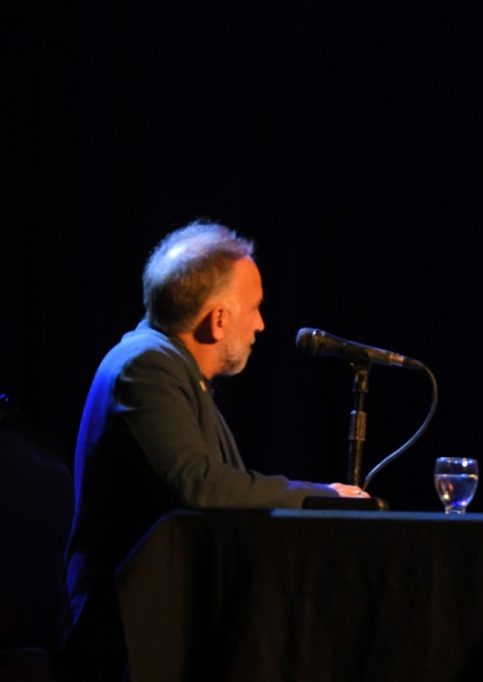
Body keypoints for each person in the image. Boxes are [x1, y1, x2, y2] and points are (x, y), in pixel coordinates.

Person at [61, 221, 368, 680]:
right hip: (127, 641)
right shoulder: (146, 367)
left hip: (159, 628)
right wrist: (322, 497)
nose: (261, 324)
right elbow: (199, 484)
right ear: (219, 319)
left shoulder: (169, 368)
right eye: (255, 308)